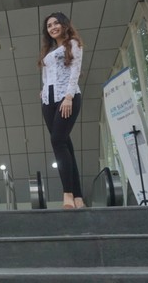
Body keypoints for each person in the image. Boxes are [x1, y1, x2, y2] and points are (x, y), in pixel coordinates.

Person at [38, 12, 85, 209]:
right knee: (64, 143)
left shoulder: (73, 43)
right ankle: (78, 197)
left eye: (56, 23)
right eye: (49, 25)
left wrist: (68, 97)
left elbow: (75, 71)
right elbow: (47, 75)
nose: (53, 27)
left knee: (57, 141)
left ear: (64, 25)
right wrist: (43, 90)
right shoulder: (49, 50)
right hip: (49, 100)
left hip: (67, 97)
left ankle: (68, 194)